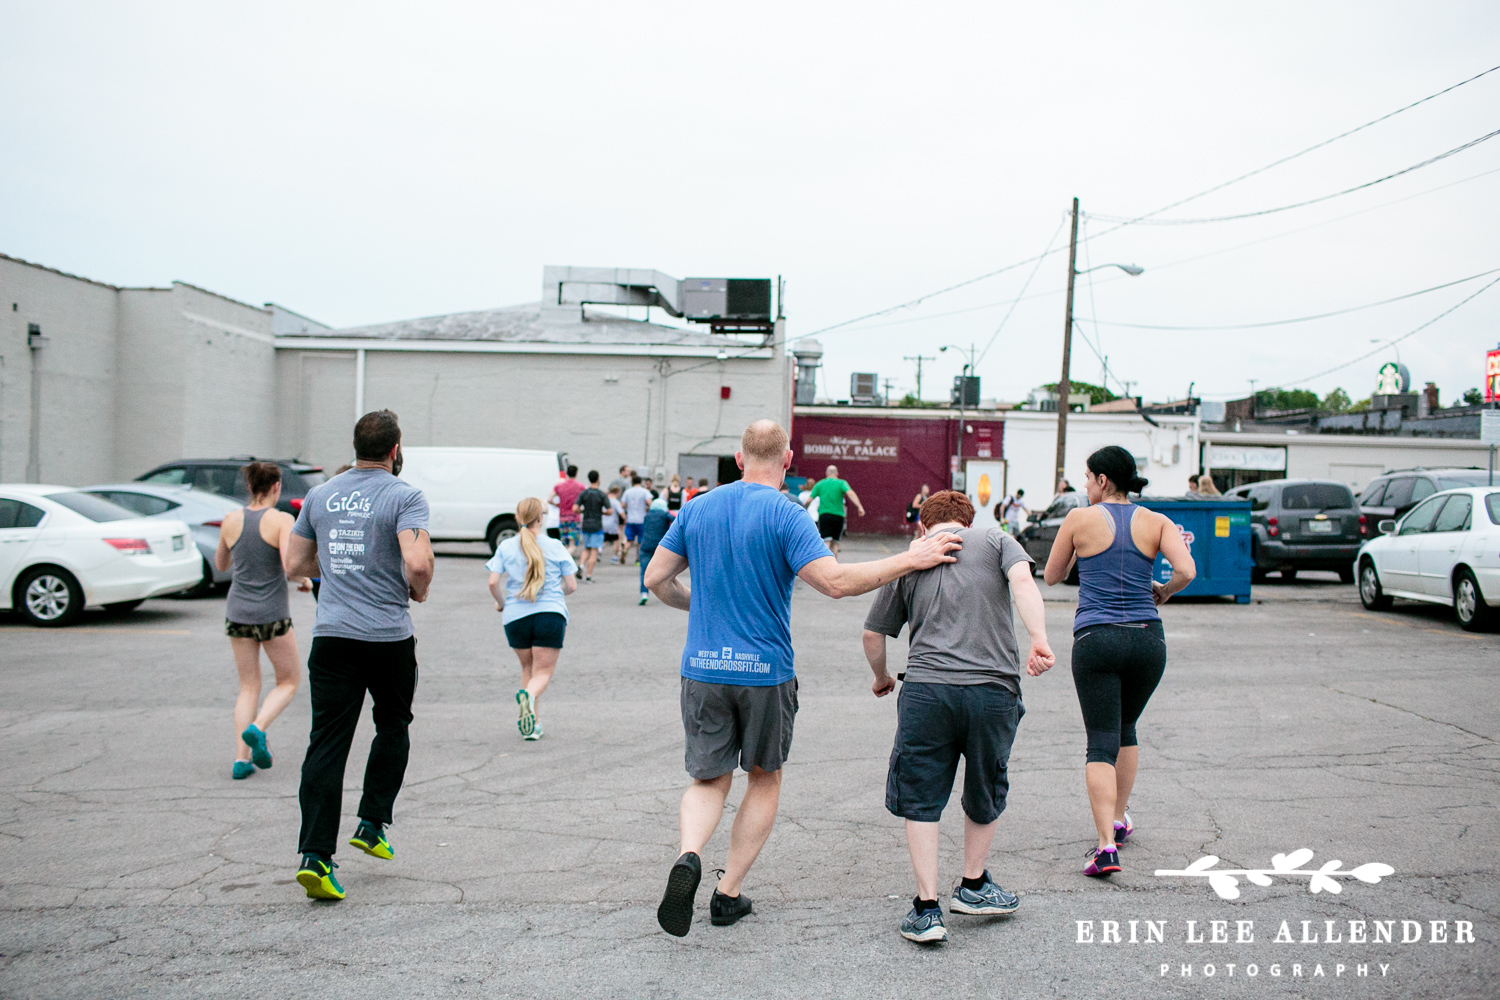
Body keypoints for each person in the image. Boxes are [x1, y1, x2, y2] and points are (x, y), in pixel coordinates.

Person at [643, 419, 963, 938]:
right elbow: (835, 584)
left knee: (707, 779)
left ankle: (689, 855)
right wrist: (912, 557)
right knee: (764, 777)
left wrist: (696, 603)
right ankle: (727, 896)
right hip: (764, 673)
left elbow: (656, 578)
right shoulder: (787, 513)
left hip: (702, 669)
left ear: (739, 458)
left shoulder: (697, 507)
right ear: (788, 461)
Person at [862, 490, 1055, 943]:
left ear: (924, 526)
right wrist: (1038, 639)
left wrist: (881, 677)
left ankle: (927, 909)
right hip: (993, 691)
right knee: (986, 782)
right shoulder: (997, 540)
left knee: (922, 793)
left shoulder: (914, 558)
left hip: (927, 691)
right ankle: (972, 885)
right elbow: (1024, 584)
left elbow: (874, 633)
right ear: (969, 522)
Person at [283, 409, 434, 901]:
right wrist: (419, 589)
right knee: (393, 725)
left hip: (332, 637)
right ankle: (371, 824)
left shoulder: (322, 494)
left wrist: (326, 577)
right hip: (387, 638)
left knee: (326, 742)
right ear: (395, 449)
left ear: (356, 446)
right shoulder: (404, 495)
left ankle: (315, 857)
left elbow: (294, 563)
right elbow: (418, 561)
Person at [1043, 446, 1195, 878]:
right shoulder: (1157, 521)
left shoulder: (1079, 519)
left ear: (1104, 480)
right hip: (1148, 640)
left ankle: (1106, 848)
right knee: (1126, 728)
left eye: (1088, 478)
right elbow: (1187, 571)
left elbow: (1052, 575)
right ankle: (1117, 819)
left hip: (1096, 639)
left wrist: (1080, 551)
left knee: (1100, 741)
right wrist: (1162, 591)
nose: (1085, 485)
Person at [216, 462, 308, 780]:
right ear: (276, 487)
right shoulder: (281, 520)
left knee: (248, 686)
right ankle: (258, 728)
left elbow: (221, 563)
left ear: (250, 487)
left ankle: (241, 761)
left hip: (237, 613)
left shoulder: (230, 519)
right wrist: (306, 580)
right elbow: (289, 565)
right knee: (289, 681)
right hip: (271, 614)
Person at [487, 497, 578, 740]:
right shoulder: (555, 546)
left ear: (518, 519)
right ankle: (528, 698)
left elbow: (493, 581)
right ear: (540, 518)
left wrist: (502, 603)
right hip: (549, 614)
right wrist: (556, 594)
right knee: (543, 673)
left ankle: (532, 725)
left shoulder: (506, 547)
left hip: (515, 616)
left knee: (528, 668)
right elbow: (571, 585)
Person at [805, 464, 865, 558]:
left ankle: (825, 564)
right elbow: (850, 493)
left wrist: (804, 509)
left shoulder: (820, 484)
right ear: (837, 473)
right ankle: (834, 565)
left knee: (826, 540)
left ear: (826, 473)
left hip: (824, 515)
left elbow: (809, 500)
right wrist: (859, 507)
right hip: (838, 515)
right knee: (835, 542)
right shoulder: (841, 483)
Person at [637, 497, 672, 605]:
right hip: (660, 547)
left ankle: (644, 593)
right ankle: (665, 593)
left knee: (644, 571)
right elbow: (676, 521)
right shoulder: (665, 515)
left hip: (645, 546)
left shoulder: (647, 516)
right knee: (664, 571)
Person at [576, 471, 608, 582]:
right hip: (597, 525)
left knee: (586, 548)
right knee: (594, 551)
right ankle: (588, 575)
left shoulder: (584, 493)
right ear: (598, 479)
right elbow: (610, 510)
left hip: (586, 524)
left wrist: (582, 511)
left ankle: (580, 565)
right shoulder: (601, 494)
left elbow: (575, 508)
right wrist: (602, 512)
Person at [550, 465, 586, 565]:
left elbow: (549, 499)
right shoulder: (580, 486)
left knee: (565, 543)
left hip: (562, 518)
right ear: (576, 473)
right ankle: (562, 561)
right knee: (572, 544)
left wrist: (557, 505)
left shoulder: (559, 486)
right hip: (574, 518)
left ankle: (564, 560)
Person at [621, 475, 653, 564]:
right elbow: (650, 502)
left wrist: (628, 506)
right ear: (640, 482)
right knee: (640, 541)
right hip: (641, 519)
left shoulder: (628, 492)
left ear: (632, 482)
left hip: (630, 519)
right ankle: (637, 559)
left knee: (629, 539)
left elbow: (622, 504)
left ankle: (625, 549)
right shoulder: (644, 491)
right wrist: (647, 508)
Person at [603, 485, 624, 564]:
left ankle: (599, 551)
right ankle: (614, 557)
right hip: (613, 524)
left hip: (603, 523)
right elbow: (621, 513)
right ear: (617, 492)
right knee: (616, 540)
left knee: (605, 540)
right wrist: (625, 519)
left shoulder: (605, 500)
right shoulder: (616, 502)